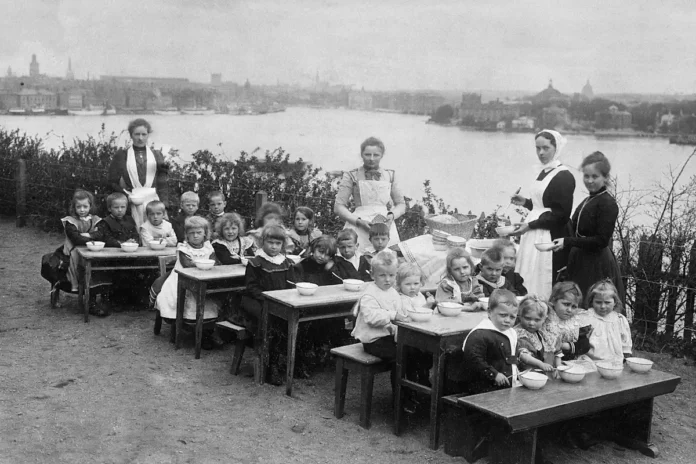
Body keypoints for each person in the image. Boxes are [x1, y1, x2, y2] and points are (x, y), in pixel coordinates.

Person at [350, 251, 430, 410]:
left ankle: (417, 389)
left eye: (392, 275)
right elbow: (372, 318)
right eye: (382, 275)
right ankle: (400, 398)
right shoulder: (369, 293)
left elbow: (400, 312)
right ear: (372, 274)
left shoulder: (393, 292)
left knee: (415, 351)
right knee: (399, 358)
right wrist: (394, 316)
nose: (388, 280)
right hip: (373, 340)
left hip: (389, 336)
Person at [510, 130, 575, 299]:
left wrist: (530, 225)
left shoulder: (564, 176)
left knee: (542, 277)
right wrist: (525, 202)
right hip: (535, 230)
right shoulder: (544, 171)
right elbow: (543, 206)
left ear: (556, 147)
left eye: (546, 148)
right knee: (528, 272)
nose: (541, 153)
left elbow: (561, 215)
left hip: (549, 234)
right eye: (538, 148)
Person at [551, 152, 625, 302]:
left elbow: (601, 241)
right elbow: (575, 231)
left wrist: (567, 241)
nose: (590, 181)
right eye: (586, 176)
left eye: (595, 176)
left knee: (593, 306)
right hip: (579, 260)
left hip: (596, 263)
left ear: (606, 177)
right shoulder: (589, 199)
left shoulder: (607, 203)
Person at [239, 224, 297, 384]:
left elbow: (292, 284)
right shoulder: (256, 263)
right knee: (270, 322)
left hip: (280, 302)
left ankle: (285, 362)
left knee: (290, 321)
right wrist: (268, 298)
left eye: (278, 243)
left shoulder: (286, 263)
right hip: (258, 301)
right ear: (262, 242)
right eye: (270, 242)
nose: (274, 247)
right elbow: (251, 287)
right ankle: (269, 365)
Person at [154, 216, 224, 350]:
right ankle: (178, 328)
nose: (196, 236)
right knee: (180, 301)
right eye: (192, 233)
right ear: (186, 235)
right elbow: (187, 265)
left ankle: (206, 334)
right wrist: (201, 264)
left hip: (204, 279)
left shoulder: (208, 247)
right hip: (182, 279)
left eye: (199, 233)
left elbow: (213, 260)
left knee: (210, 301)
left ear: (205, 233)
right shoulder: (183, 248)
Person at [334, 137, 406, 253]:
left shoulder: (390, 175)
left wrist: (391, 216)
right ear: (361, 154)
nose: (371, 159)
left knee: (386, 262)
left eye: (376, 155)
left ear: (382, 155)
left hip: (384, 227)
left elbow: (401, 204)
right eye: (367, 154)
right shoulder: (351, 175)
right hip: (358, 225)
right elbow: (338, 206)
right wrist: (358, 222)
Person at [108, 118, 169, 228]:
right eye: (137, 134)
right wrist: (127, 196)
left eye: (144, 134)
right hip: (132, 201)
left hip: (153, 203)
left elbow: (162, 182)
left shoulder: (156, 155)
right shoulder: (122, 155)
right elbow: (112, 182)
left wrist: (164, 205)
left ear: (148, 135)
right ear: (131, 135)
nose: (140, 138)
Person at [460, 289, 521, 395]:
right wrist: (494, 374)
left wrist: (517, 371)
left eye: (512, 317)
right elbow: (474, 359)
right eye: (503, 315)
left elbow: (511, 357)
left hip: (505, 386)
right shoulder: (480, 334)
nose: (507, 320)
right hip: (483, 388)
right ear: (489, 312)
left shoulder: (511, 333)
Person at [59, 189, 102, 293]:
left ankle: (95, 283)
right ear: (74, 207)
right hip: (74, 246)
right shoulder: (70, 221)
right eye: (79, 207)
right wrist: (92, 237)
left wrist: (88, 235)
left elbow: (101, 234)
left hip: (90, 246)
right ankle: (75, 284)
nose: (82, 210)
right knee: (75, 257)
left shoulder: (95, 219)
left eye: (85, 207)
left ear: (90, 206)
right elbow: (76, 238)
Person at [582, 280, 632, 365]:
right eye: (598, 302)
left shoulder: (619, 319)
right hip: (590, 362)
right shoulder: (586, 317)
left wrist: (626, 356)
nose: (603, 306)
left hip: (614, 362)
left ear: (615, 302)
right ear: (592, 301)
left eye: (607, 302)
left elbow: (625, 341)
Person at [542, 281, 592, 362]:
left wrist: (564, 346)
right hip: (546, 360)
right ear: (554, 301)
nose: (569, 310)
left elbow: (585, 346)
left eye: (574, 307)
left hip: (569, 362)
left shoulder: (576, 321)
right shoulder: (546, 315)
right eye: (566, 304)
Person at [514, 295, 562, 373]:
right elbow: (524, 355)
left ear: (544, 319)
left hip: (543, 372)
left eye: (537, 320)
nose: (531, 323)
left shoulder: (544, 333)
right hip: (527, 374)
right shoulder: (520, 334)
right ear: (520, 316)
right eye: (527, 318)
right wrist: (541, 364)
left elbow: (557, 350)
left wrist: (559, 367)